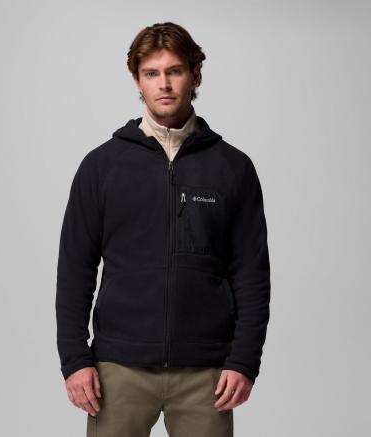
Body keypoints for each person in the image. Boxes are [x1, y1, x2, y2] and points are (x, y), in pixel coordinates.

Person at [55, 21, 271, 437]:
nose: (164, 84)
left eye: (175, 71)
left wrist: (244, 361)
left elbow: (251, 274)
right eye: (151, 73)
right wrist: (75, 361)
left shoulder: (232, 168)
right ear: (137, 80)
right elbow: (75, 270)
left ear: (195, 74)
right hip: (117, 370)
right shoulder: (101, 167)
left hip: (206, 375)